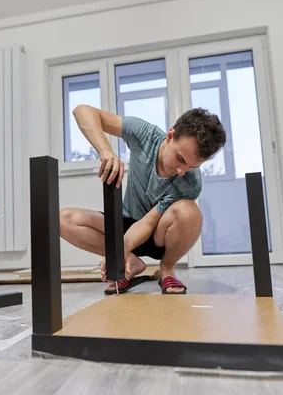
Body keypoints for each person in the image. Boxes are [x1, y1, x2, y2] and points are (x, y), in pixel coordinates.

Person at [60, 104, 226, 294]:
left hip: (158, 235)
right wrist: (106, 151)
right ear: (170, 136)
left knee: (189, 212)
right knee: (63, 219)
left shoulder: (191, 183)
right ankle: (132, 260)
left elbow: (148, 223)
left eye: (191, 166)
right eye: (180, 159)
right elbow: (82, 111)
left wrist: (120, 249)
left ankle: (167, 268)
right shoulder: (145, 134)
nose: (182, 171)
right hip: (125, 222)